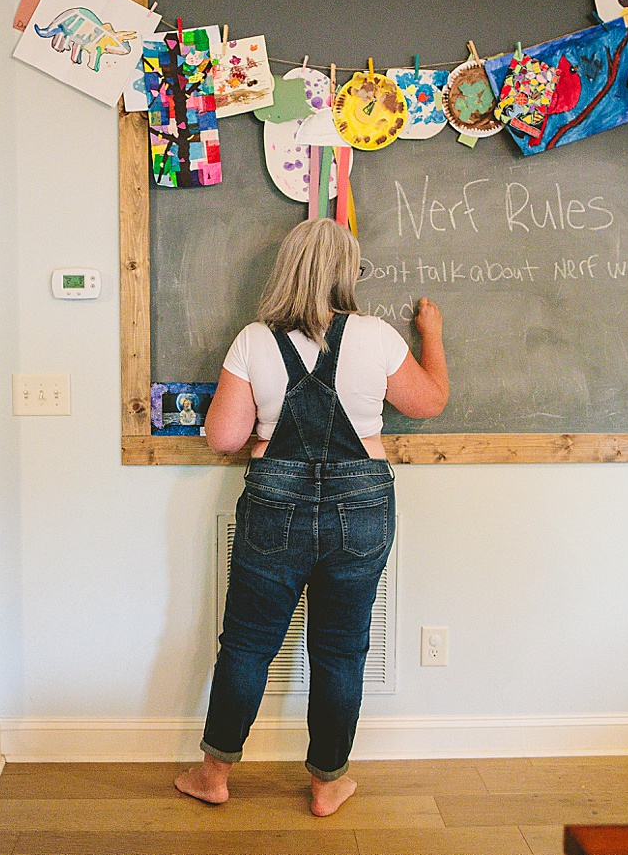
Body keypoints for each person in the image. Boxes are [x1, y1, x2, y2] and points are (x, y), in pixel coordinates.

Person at [175, 218, 448, 817]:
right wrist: (432, 333)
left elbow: (223, 436)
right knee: (342, 650)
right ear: (346, 270)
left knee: (246, 644)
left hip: (276, 500)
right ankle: (327, 784)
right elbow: (428, 402)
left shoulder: (253, 339)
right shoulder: (377, 336)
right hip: (363, 504)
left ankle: (214, 774)